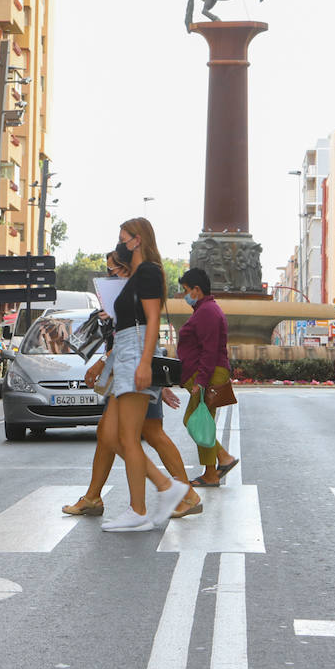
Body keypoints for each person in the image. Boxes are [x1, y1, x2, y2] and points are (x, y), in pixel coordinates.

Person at [63, 253, 202, 520]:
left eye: (115, 268)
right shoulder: (126, 294)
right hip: (126, 373)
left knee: (143, 434)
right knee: (110, 435)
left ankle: (181, 494)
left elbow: (137, 335)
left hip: (133, 374)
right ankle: (94, 496)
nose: (111, 273)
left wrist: (107, 363)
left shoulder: (137, 290)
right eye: (109, 269)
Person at [96, 218, 189, 532]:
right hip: (125, 353)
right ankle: (165, 485)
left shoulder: (148, 271)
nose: (119, 243)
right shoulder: (135, 275)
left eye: (123, 237)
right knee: (111, 437)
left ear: (137, 240)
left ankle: (139, 510)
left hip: (135, 353)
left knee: (128, 437)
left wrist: (146, 363)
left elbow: (151, 321)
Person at [176, 268, 240, 486]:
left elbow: (209, 351)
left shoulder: (207, 312)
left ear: (196, 289)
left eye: (185, 290)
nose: (184, 295)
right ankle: (213, 471)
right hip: (207, 373)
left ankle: (222, 459)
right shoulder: (204, 309)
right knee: (202, 422)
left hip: (207, 375)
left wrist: (200, 382)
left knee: (193, 421)